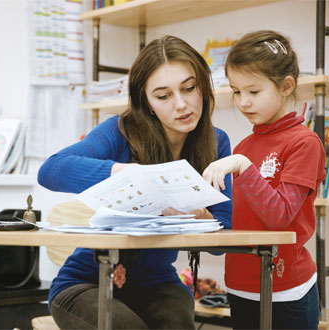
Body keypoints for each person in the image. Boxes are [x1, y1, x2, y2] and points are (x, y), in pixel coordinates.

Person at [38, 35, 232, 329]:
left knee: (177, 323)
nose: (181, 104)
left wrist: (203, 218)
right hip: (86, 282)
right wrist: (122, 172)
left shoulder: (216, 143)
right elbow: (51, 170)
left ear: (203, 86)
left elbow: (223, 237)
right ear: (148, 103)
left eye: (189, 88)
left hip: (158, 285)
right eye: (163, 96)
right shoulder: (119, 132)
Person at [203, 30, 325, 330]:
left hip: (286, 290)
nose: (243, 102)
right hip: (240, 285)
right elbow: (239, 219)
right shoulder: (243, 148)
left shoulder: (304, 143)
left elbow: (279, 216)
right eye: (236, 91)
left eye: (253, 91)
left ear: (286, 86)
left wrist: (244, 167)